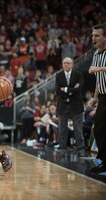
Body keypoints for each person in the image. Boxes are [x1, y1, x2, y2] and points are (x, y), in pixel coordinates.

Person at [55, 57, 85, 153]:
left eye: (68, 63)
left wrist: (65, 89)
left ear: (72, 64)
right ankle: (62, 147)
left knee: (78, 128)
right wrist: (71, 90)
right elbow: (57, 90)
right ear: (62, 65)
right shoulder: (58, 75)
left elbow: (79, 88)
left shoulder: (78, 75)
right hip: (62, 104)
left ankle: (80, 148)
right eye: (64, 63)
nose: (66, 64)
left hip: (76, 105)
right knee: (62, 128)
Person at [88, 23, 106, 174]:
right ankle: (104, 161)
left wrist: (97, 68)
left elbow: (98, 71)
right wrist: (95, 97)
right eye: (92, 35)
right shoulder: (95, 54)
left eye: (97, 35)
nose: (93, 38)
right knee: (98, 128)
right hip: (103, 97)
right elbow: (98, 79)